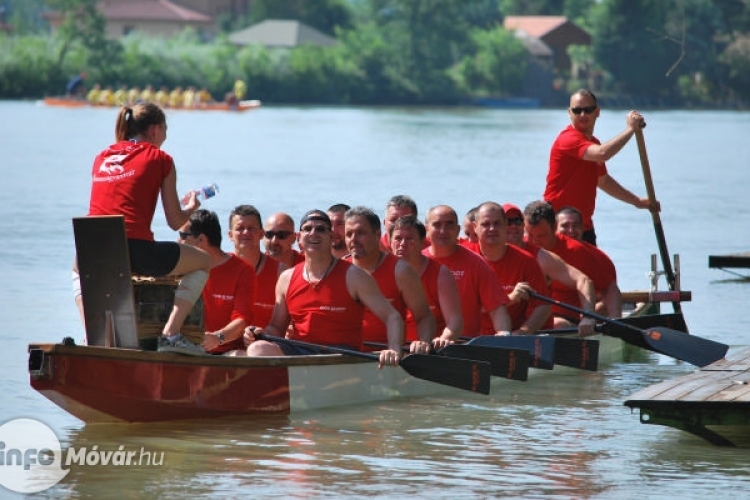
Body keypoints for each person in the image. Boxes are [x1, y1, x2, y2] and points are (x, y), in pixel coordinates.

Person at [75, 102, 210, 355]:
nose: (165, 138)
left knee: (77, 268)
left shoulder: (101, 156)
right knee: (203, 261)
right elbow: (175, 222)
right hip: (136, 250)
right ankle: (171, 335)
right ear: (156, 130)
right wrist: (192, 207)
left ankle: (91, 337)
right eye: (166, 131)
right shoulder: (161, 159)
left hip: (92, 249)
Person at [242, 210, 406, 368]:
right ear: (299, 238)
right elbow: (276, 328)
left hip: (341, 354)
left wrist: (393, 349)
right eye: (307, 229)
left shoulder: (354, 276)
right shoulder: (286, 278)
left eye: (320, 229)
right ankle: (279, 393)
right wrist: (257, 332)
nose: (313, 233)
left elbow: (393, 317)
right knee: (258, 349)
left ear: (331, 237)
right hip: (299, 351)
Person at [543, 88, 653, 246]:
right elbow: (602, 154)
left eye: (588, 110)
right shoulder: (567, 139)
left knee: (595, 270)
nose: (583, 115)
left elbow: (602, 180)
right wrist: (630, 129)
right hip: (559, 225)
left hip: (583, 226)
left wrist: (637, 201)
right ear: (569, 112)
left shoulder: (593, 143)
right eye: (577, 110)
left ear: (597, 112)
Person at [344, 206, 434, 353]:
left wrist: (423, 342)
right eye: (349, 234)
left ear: (378, 234)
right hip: (347, 353)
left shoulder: (401, 271)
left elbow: (424, 316)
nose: (353, 239)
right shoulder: (340, 270)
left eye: (361, 233)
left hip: (387, 355)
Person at [503, 202, 596, 336]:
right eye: (507, 222)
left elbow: (583, 280)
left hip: (537, 333)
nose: (512, 226)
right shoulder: (481, 256)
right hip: (499, 332)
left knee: (560, 325)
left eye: (517, 221)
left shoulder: (541, 257)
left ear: (523, 225)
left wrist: (588, 316)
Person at [524, 200, 621, 328]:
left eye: (541, 236)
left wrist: (616, 323)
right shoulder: (522, 245)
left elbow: (609, 288)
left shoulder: (576, 251)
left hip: (568, 319)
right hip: (532, 317)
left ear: (554, 228)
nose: (534, 242)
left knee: (557, 324)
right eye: (530, 235)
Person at [423, 205, 512, 337]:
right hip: (418, 346)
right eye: (437, 225)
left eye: (449, 225)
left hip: (463, 347)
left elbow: (497, 309)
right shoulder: (417, 262)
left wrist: (504, 334)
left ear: (458, 230)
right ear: (427, 230)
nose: (443, 231)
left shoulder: (476, 264)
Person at [178, 209, 256, 354]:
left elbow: (241, 319)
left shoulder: (242, 271)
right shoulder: (183, 268)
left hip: (228, 352)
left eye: (182, 236)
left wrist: (218, 337)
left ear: (201, 240)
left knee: (240, 356)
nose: (178, 241)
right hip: (188, 350)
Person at [474, 202, 551, 334]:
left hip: (511, 337)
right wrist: (510, 298)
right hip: (470, 338)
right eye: (486, 224)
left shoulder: (526, 260)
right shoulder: (466, 259)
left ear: (505, 226)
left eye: (497, 223)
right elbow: (465, 308)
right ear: (475, 227)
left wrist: (523, 331)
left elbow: (543, 306)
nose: (492, 229)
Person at [389, 216, 462, 347]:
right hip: (387, 349)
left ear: (423, 243)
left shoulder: (441, 274)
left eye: (410, 239)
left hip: (427, 350)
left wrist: (444, 339)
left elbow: (454, 321)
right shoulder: (380, 271)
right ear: (390, 242)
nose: (402, 244)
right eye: (398, 238)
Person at [227, 204, 286, 329]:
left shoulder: (281, 272)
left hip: (265, 343)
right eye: (240, 228)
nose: (246, 232)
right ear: (230, 235)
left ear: (261, 234)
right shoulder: (219, 268)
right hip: (224, 343)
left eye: (251, 229)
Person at [556, 206, 620, 316]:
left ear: (583, 228)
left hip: (584, 319)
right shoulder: (545, 254)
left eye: (575, 226)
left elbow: (608, 296)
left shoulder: (599, 258)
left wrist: (588, 315)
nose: (571, 231)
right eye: (565, 226)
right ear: (554, 228)